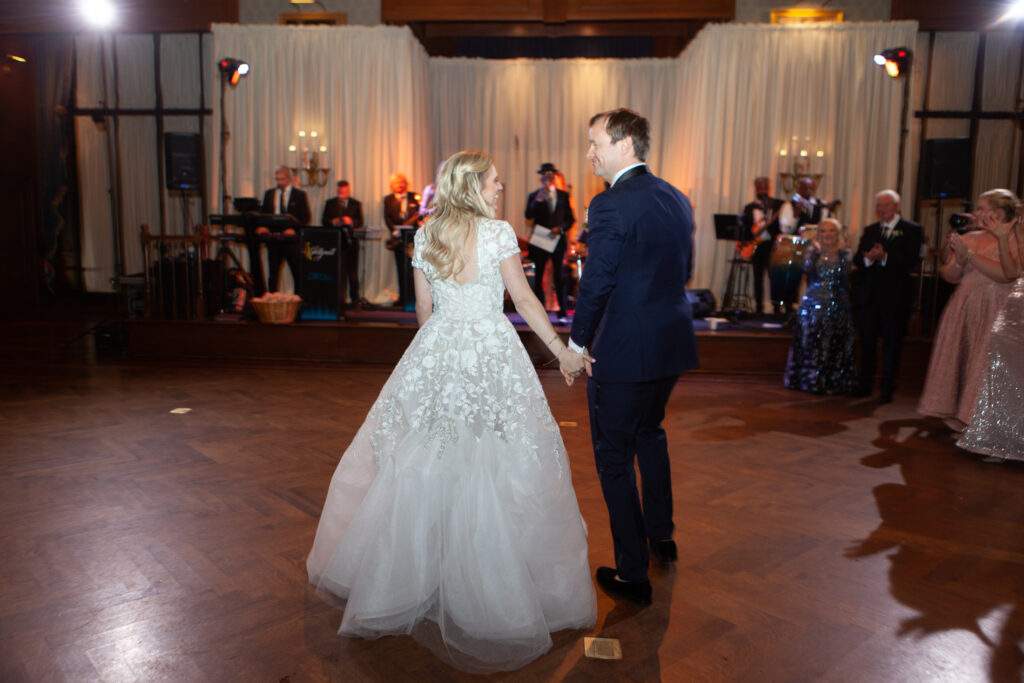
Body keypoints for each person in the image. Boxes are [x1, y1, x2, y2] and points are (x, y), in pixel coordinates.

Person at [307, 151, 596, 673]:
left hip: (438, 347)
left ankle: (419, 574)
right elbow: (526, 301)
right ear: (473, 187)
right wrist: (563, 351)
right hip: (490, 349)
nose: (502, 184)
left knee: (424, 459)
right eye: (494, 179)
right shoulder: (498, 233)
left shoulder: (426, 234)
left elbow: (422, 312)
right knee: (497, 459)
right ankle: (485, 585)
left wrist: (435, 359)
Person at [566, 108, 698, 606]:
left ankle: (632, 574)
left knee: (614, 459)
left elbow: (596, 280)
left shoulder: (609, 204)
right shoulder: (675, 197)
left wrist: (576, 346)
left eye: (594, 142)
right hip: (671, 343)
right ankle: (661, 536)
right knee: (650, 433)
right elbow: (679, 271)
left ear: (625, 145)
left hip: (624, 350)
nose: (589, 153)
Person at [919, 189, 1019, 431]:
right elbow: (950, 275)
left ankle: (981, 425)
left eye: (981, 208)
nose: (975, 213)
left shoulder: (1016, 238)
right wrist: (959, 258)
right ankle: (959, 418)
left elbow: (1007, 275)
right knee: (960, 360)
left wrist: (970, 256)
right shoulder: (970, 237)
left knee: (983, 365)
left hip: (996, 308)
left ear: (998, 212)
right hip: (964, 306)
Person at [958, 202, 1024, 461]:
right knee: (1006, 373)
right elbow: (1012, 272)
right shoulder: (1017, 231)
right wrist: (1006, 237)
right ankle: (1004, 440)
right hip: (1017, 305)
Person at [853, 190, 923, 403]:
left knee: (892, 343)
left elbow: (911, 259)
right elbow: (858, 258)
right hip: (870, 296)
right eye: (879, 205)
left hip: (895, 297)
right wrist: (869, 258)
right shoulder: (871, 230)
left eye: (886, 205)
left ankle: (886, 387)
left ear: (897, 206)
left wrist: (885, 257)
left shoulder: (911, 229)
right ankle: (864, 384)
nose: (882, 209)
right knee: (867, 342)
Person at [782, 218, 857, 394]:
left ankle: (833, 382)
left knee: (835, 343)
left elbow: (848, 273)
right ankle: (810, 381)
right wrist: (813, 252)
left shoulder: (846, 254)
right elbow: (804, 269)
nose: (827, 235)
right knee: (811, 343)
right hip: (812, 304)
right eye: (823, 231)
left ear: (837, 234)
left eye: (831, 231)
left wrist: (840, 251)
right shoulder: (812, 252)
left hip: (837, 302)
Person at [773, 176, 837, 317]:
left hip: (815, 248)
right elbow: (785, 229)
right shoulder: (789, 205)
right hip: (795, 249)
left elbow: (828, 224)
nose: (805, 191)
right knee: (791, 278)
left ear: (813, 188)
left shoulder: (821, 205)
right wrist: (796, 214)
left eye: (808, 188)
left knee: (814, 279)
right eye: (802, 188)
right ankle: (787, 309)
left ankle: (814, 308)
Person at [525, 162, 575, 322]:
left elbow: (571, 219)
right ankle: (541, 312)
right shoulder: (534, 196)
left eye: (550, 174)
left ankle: (562, 313)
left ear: (554, 176)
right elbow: (528, 215)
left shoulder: (563, 195)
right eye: (544, 175)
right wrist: (538, 198)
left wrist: (560, 229)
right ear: (540, 177)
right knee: (538, 276)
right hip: (540, 241)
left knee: (560, 276)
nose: (547, 177)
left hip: (557, 240)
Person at [259, 166, 311, 293]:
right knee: (273, 273)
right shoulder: (269, 194)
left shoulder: (299, 195)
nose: (279, 182)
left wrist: (293, 229)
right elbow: (263, 214)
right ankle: (272, 302)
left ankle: (299, 301)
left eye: (281, 179)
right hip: (273, 239)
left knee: (297, 272)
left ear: (288, 178)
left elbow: (305, 218)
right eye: (277, 179)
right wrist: (263, 226)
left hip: (291, 241)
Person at [741, 176, 783, 315]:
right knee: (757, 277)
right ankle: (758, 307)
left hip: (772, 246)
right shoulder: (749, 207)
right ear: (756, 189)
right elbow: (745, 229)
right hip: (756, 246)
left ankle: (777, 308)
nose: (763, 190)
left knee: (775, 278)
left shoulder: (778, 205)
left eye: (765, 187)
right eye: (760, 187)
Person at [321, 180, 366, 307]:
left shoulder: (355, 204)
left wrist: (350, 221)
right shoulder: (330, 203)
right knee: (335, 271)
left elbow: (360, 222)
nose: (342, 194)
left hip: (350, 242)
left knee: (352, 272)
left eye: (344, 192)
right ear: (337, 190)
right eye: (340, 192)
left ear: (348, 190)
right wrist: (334, 222)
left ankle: (354, 298)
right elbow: (324, 221)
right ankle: (336, 298)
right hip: (335, 242)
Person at [383, 173, 421, 308]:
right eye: (396, 183)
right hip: (398, 239)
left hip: (412, 239)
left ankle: (414, 298)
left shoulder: (414, 197)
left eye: (401, 182)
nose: (399, 185)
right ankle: (403, 298)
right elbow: (387, 217)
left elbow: (420, 214)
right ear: (391, 186)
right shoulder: (388, 199)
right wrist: (394, 230)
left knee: (413, 270)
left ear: (406, 183)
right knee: (400, 269)